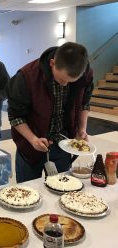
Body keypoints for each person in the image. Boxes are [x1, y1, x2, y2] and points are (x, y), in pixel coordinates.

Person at [6, 42, 94, 183]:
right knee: (27, 189)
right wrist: (33, 139)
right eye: (61, 79)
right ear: (52, 63)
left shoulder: (86, 75)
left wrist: (81, 129)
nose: (65, 84)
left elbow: (84, 103)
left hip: (64, 143)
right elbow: (15, 116)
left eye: (71, 82)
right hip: (30, 146)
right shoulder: (26, 77)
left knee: (61, 188)